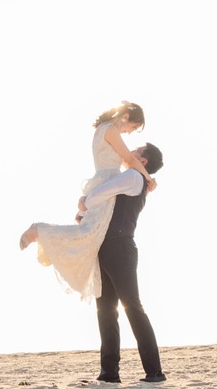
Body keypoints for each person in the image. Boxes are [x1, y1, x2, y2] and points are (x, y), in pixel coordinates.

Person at [19, 102, 156, 300]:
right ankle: (39, 230)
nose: (129, 132)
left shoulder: (105, 129)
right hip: (107, 182)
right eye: (132, 127)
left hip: (103, 181)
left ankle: (40, 232)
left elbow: (128, 161)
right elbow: (129, 160)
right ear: (125, 117)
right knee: (88, 234)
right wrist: (149, 179)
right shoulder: (110, 130)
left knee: (90, 235)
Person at [78, 142, 166, 383]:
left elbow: (99, 193)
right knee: (105, 309)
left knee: (132, 307)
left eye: (136, 150)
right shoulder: (136, 177)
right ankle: (109, 373)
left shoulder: (133, 176)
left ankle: (154, 372)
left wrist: (85, 199)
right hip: (107, 246)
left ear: (143, 160)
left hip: (120, 247)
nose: (130, 151)